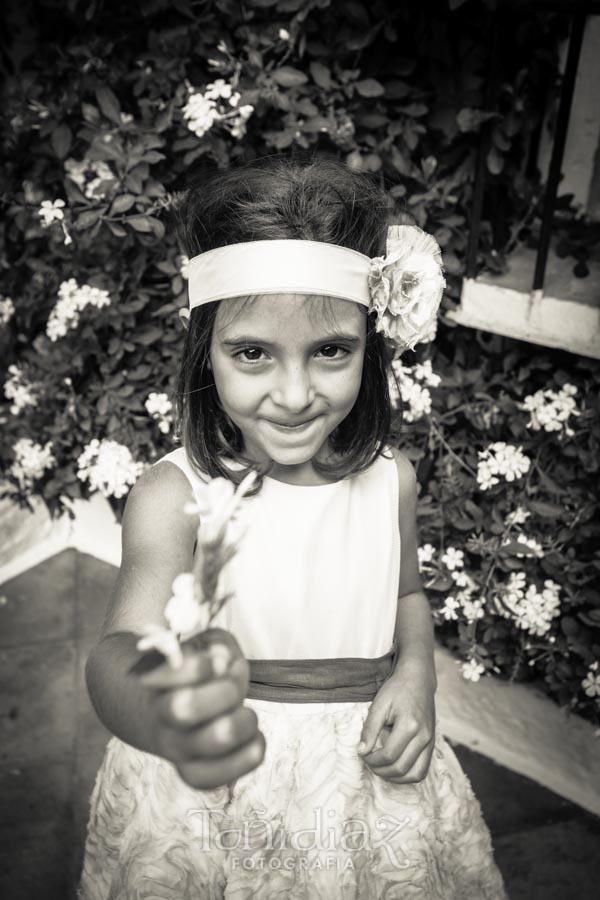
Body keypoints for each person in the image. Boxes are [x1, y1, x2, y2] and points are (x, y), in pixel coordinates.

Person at [78, 155, 509, 899]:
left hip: (364, 788)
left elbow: (406, 597)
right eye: (252, 354)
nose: (295, 393)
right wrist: (162, 711)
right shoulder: (175, 494)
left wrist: (415, 675)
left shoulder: (388, 481)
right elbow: (119, 649)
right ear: (206, 355)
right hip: (217, 798)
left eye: (331, 351)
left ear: (370, 345)